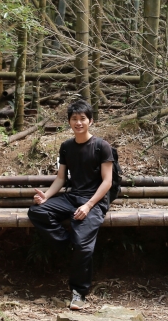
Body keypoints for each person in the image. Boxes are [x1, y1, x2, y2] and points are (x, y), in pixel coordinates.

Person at [28, 99, 115, 310]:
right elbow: (60, 179)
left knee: (83, 246)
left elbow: (107, 181)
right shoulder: (66, 146)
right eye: (74, 119)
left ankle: (79, 292)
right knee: (37, 211)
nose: (78, 123)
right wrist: (46, 196)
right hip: (72, 197)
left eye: (82, 119)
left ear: (90, 121)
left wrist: (88, 206)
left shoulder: (102, 146)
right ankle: (68, 244)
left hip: (94, 201)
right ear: (69, 122)